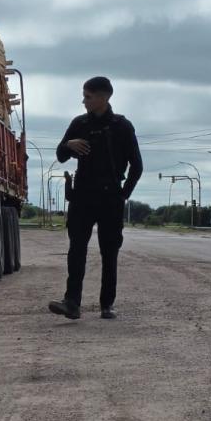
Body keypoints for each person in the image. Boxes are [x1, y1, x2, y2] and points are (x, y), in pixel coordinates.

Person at [48, 76, 142, 320]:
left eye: (88, 97)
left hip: (110, 197)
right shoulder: (79, 124)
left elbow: (137, 166)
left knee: (109, 252)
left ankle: (107, 304)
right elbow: (60, 155)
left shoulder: (122, 126)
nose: (83, 101)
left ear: (104, 97)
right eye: (84, 95)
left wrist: (123, 195)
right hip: (82, 197)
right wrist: (69, 144)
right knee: (76, 249)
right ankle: (72, 302)